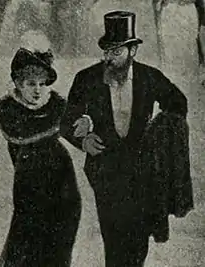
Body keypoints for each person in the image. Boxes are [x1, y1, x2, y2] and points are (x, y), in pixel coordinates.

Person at [60, 11, 194, 267]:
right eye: (107, 52)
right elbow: (66, 121)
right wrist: (83, 140)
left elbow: (179, 104)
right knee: (114, 241)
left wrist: (158, 130)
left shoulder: (149, 77)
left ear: (133, 51)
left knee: (138, 242)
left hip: (143, 174)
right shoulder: (87, 78)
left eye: (116, 52)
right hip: (105, 171)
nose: (109, 59)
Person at [0, 47, 81, 267]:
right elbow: (19, 134)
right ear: (18, 83)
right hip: (29, 185)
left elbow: (75, 128)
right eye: (31, 83)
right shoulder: (8, 109)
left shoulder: (57, 105)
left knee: (58, 245)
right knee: (26, 245)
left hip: (62, 181)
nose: (37, 90)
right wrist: (60, 123)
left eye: (42, 84)